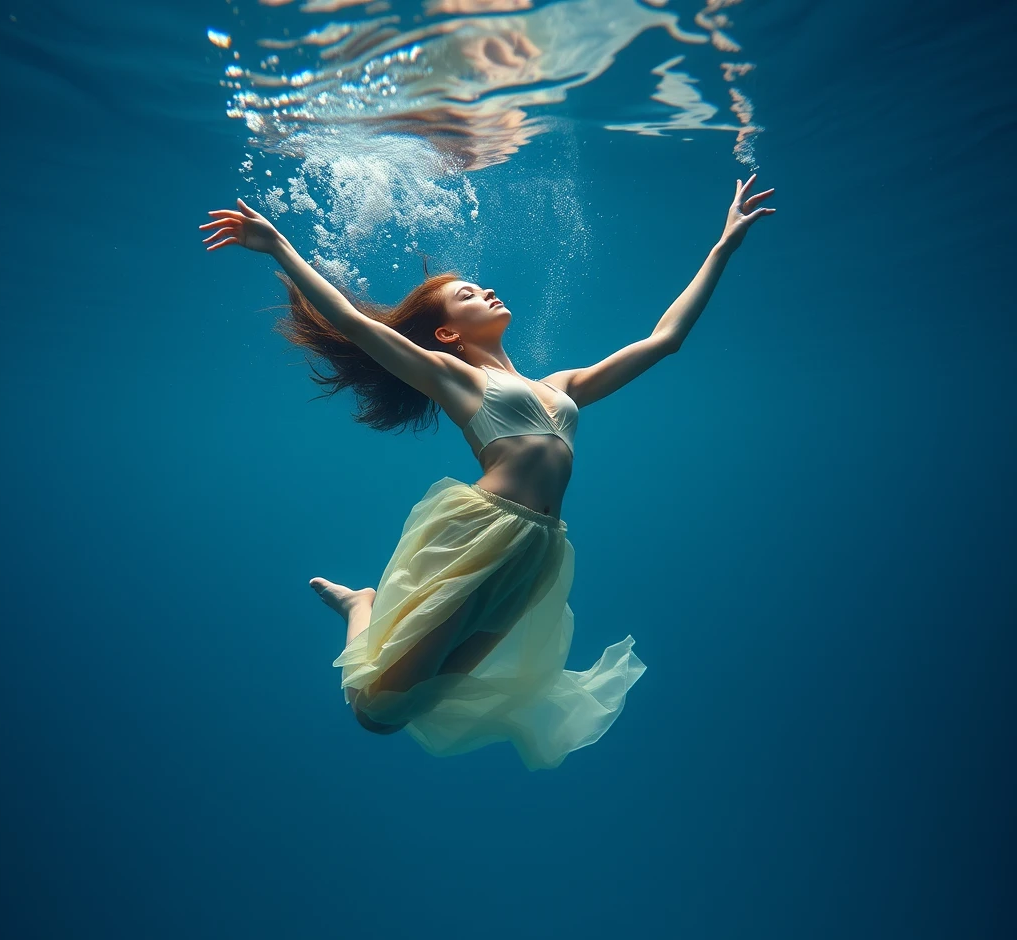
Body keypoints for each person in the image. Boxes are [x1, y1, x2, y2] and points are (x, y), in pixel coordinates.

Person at [199, 174, 775, 769]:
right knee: (377, 713)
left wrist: (722, 246)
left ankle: (365, 613)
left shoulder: (561, 386)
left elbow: (665, 339)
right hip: (479, 532)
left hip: (539, 549)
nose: (487, 291)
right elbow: (350, 322)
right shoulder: (455, 377)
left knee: (427, 699)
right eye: (469, 294)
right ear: (448, 334)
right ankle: (360, 609)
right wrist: (278, 248)